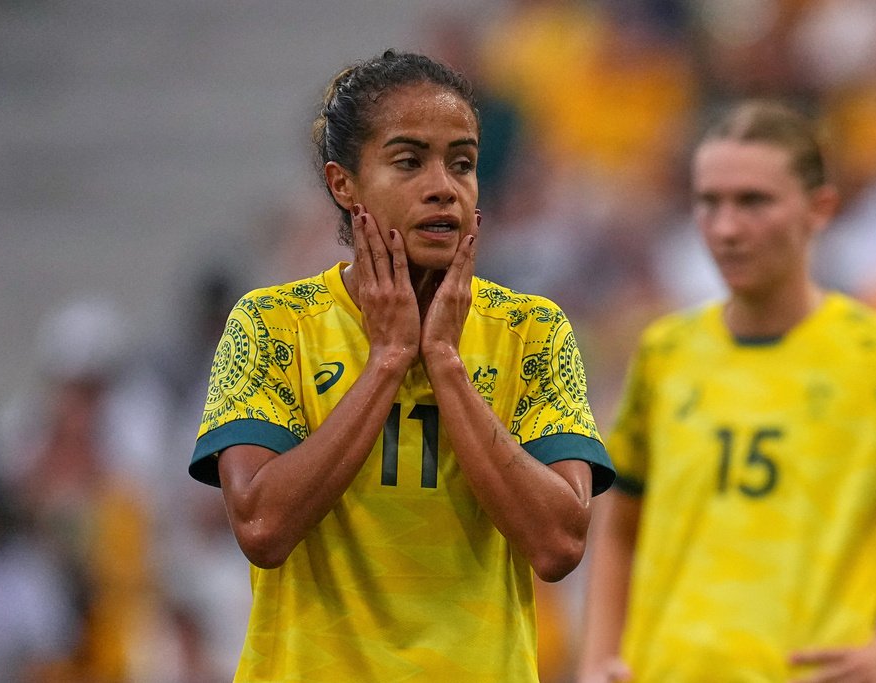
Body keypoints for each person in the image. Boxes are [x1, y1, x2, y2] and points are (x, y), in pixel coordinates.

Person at [188, 50, 615, 682]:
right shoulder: (271, 324)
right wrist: (388, 359)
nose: (444, 185)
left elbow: (559, 545)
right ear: (344, 184)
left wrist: (442, 361)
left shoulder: (533, 331)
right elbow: (261, 525)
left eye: (463, 163)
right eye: (409, 161)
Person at [577, 100, 876, 683]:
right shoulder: (665, 353)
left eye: (754, 201)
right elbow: (621, 521)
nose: (725, 228)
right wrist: (597, 659)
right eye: (709, 202)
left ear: (819, 209)